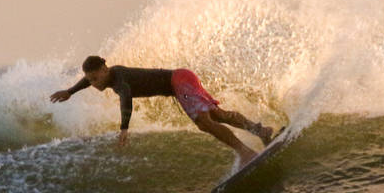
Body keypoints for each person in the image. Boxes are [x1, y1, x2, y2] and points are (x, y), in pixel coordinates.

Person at [50, 55, 274, 166]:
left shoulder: (119, 79)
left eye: (96, 78)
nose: (94, 84)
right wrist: (70, 91)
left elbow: (126, 98)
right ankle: (260, 131)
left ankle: (245, 152)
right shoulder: (107, 77)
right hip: (182, 78)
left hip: (179, 81)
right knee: (218, 116)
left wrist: (124, 129)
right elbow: (87, 80)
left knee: (204, 122)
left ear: (105, 69)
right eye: (90, 80)